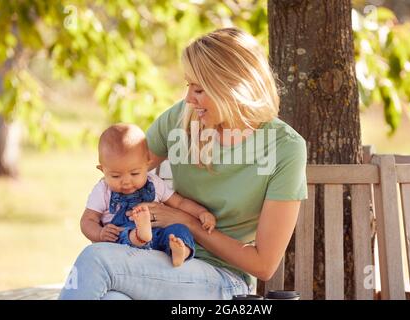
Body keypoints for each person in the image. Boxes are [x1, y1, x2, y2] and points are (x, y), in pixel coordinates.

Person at [59, 27, 307, 300]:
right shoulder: (180, 120)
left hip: (222, 279)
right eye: (188, 86)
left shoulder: (285, 147)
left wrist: (187, 222)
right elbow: (123, 174)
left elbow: (263, 265)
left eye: (199, 89)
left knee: (96, 260)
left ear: (231, 87)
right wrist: (99, 222)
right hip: (156, 260)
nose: (189, 98)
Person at [80, 123, 216, 267]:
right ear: (102, 170)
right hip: (124, 240)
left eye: (135, 173)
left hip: (158, 236)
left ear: (147, 165)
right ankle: (140, 235)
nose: (126, 182)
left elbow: (180, 203)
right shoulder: (103, 190)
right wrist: (100, 233)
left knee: (179, 230)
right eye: (115, 176)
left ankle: (181, 252)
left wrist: (201, 212)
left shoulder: (155, 183)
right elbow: (87, 220)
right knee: (122, 235)